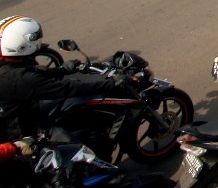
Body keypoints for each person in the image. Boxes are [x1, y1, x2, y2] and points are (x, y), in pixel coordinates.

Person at [0, 16, 127, 152]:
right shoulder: (20, 79)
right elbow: (67, 88)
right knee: (79, 152)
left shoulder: (9, 65)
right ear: (22, 44)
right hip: (23, 131)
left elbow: (31, 71)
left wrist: (62, 70)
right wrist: (110, 84)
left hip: (20, 113)